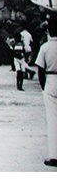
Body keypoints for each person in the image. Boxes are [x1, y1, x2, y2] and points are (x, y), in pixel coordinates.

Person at [33, 15, 57, 168]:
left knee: (53, 119)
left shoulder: (45, 47)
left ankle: (54, 155)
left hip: (51, 80)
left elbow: (40, 70)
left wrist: (44, 87)